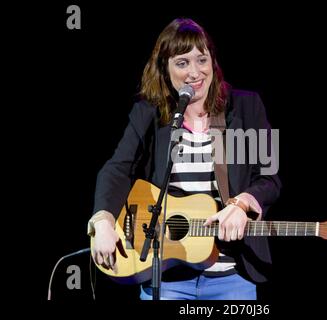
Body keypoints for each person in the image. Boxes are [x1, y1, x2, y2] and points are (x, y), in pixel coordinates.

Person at [88, 17, 281, 300]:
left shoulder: (247, 106)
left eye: (201, 60)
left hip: (232, 276)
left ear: (213, 62)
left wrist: (242, 203)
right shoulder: (149, 113)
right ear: (165, 70)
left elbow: (270, 178)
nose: (195, 72)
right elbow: (117, 168)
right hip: (165, 275)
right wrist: (103, 220)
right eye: (182, 63)